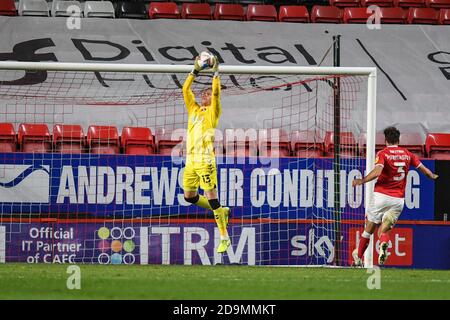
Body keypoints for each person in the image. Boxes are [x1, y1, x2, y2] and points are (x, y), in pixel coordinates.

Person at [352, 127, 438, 266]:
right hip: (398, 200)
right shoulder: (407, 154)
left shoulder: (383, 153)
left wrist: (361, 180)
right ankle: (383, 244)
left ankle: (357, 257)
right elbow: (426, 171)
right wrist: (433, 176)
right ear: (398, 140)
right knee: (384, 229)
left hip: (381, 196)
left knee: (369, 228)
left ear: (386, 140)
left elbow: (377, 172)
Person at [182, 54, 231, 254]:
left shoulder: (213, 111)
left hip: (205, 160)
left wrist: (215, 71)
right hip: (191, 160)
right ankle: (221, 210)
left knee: (211, 196)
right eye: (205, 93)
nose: (206, 94)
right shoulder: (193, 108)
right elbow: (185, 89)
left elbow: (217, 93)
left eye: (208, 93)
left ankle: (224, 237)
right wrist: (195, 70)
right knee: (189, 197)